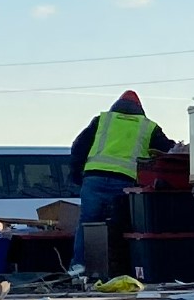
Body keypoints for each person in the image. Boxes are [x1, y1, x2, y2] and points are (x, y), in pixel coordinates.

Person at [69, 90, 175, 273]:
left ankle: (79, 266)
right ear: (140, 108)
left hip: (94, 179)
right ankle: (120, 269)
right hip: (125, 182)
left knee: (88, 223)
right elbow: (168, 151)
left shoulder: (102, 120)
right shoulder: (148, 126)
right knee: (121, 226)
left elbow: (78, 147)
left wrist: (76, 175)